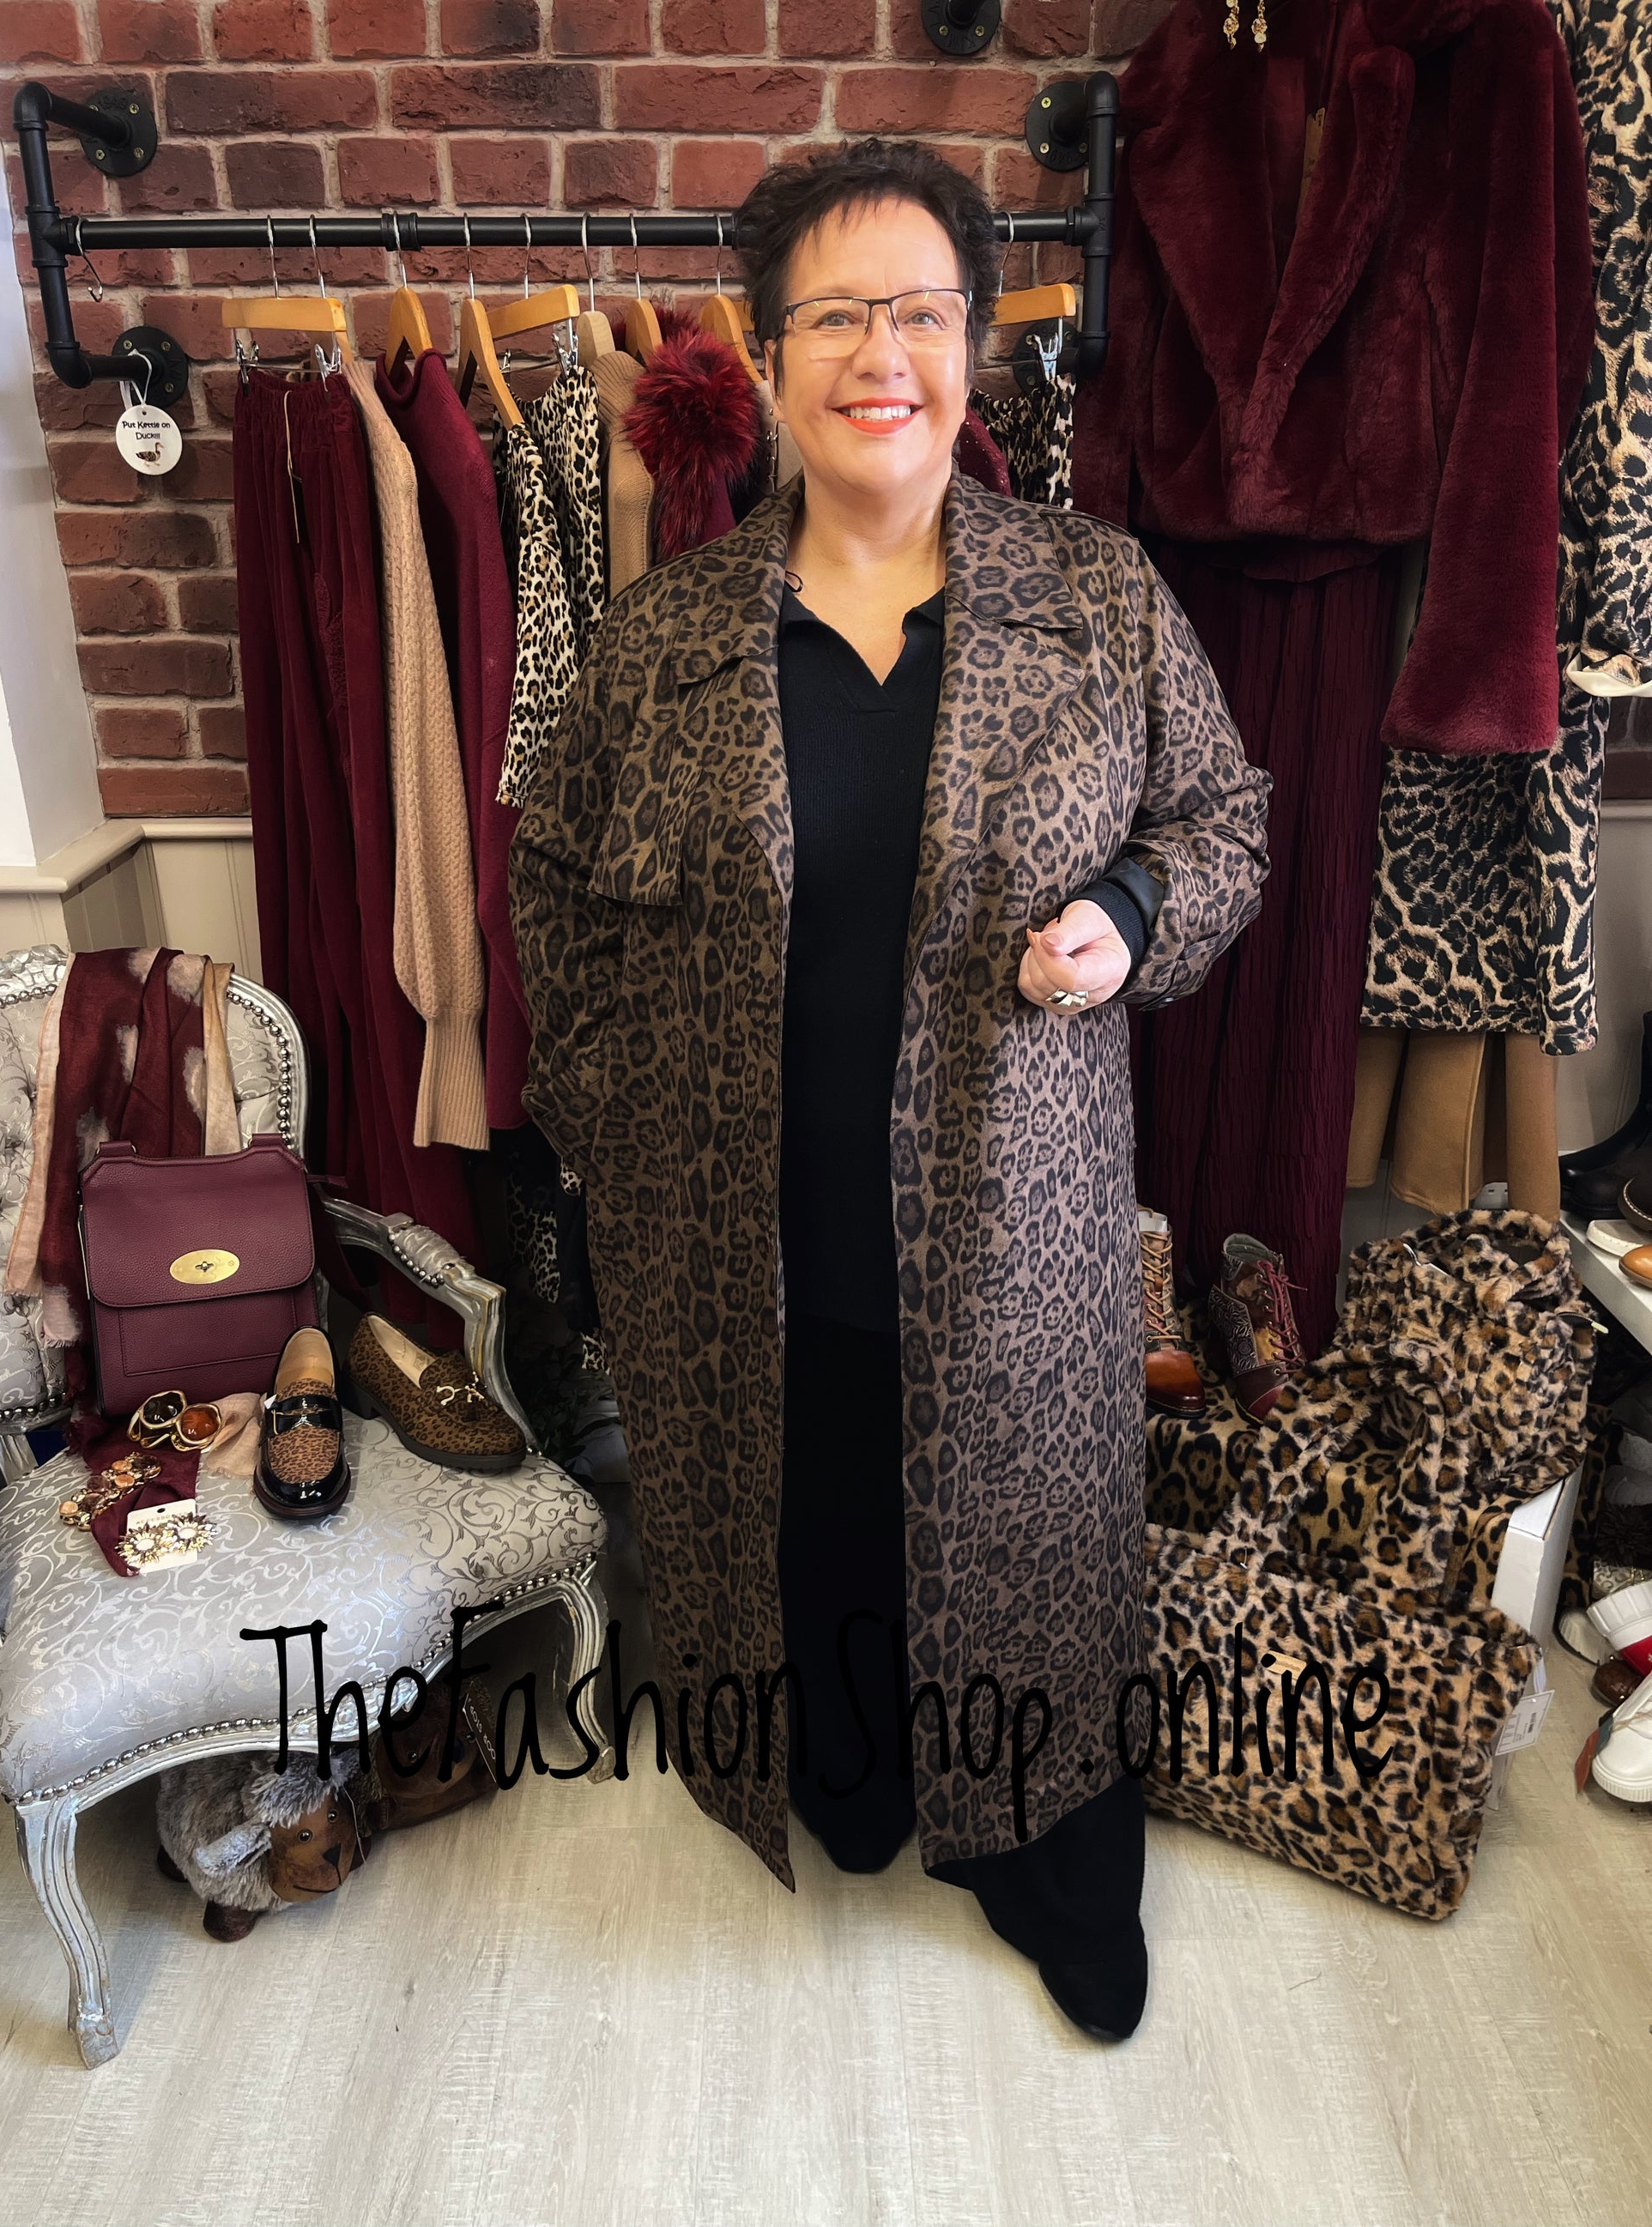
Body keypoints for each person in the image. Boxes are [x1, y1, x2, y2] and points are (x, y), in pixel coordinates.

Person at [510, 138, 1271, 2043]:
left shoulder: (1094, 600)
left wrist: (1128, 913)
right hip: (742, 1244)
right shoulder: (666, 636)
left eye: (920, 312)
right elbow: (554, 887)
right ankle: (844, 1782)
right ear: (764, 354)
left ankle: (1050, 1861)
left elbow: (1226, 820)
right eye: (835, 314)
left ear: (972, 342)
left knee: (1027, 1553)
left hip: (1011, 1232)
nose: (882, 355)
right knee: (810, 1528)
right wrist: (612, 1130)